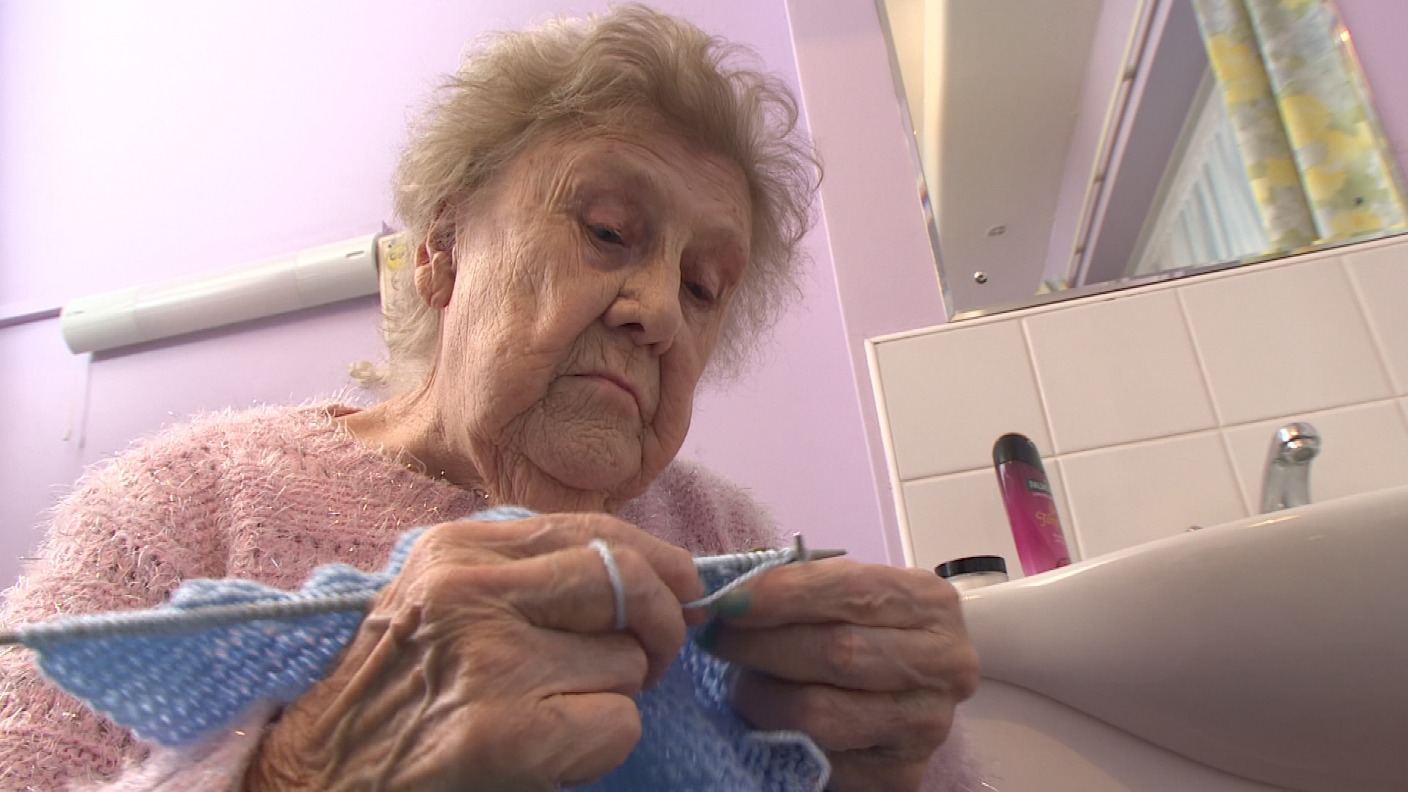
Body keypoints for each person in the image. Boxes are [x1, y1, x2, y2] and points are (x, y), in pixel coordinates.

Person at [0, 5, 979, 790]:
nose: (656, 311)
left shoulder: (721, 536)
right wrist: (303, 773)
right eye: (606, 231)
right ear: (440, 250)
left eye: (701, 287)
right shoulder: (186, 504)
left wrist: (884, 770)